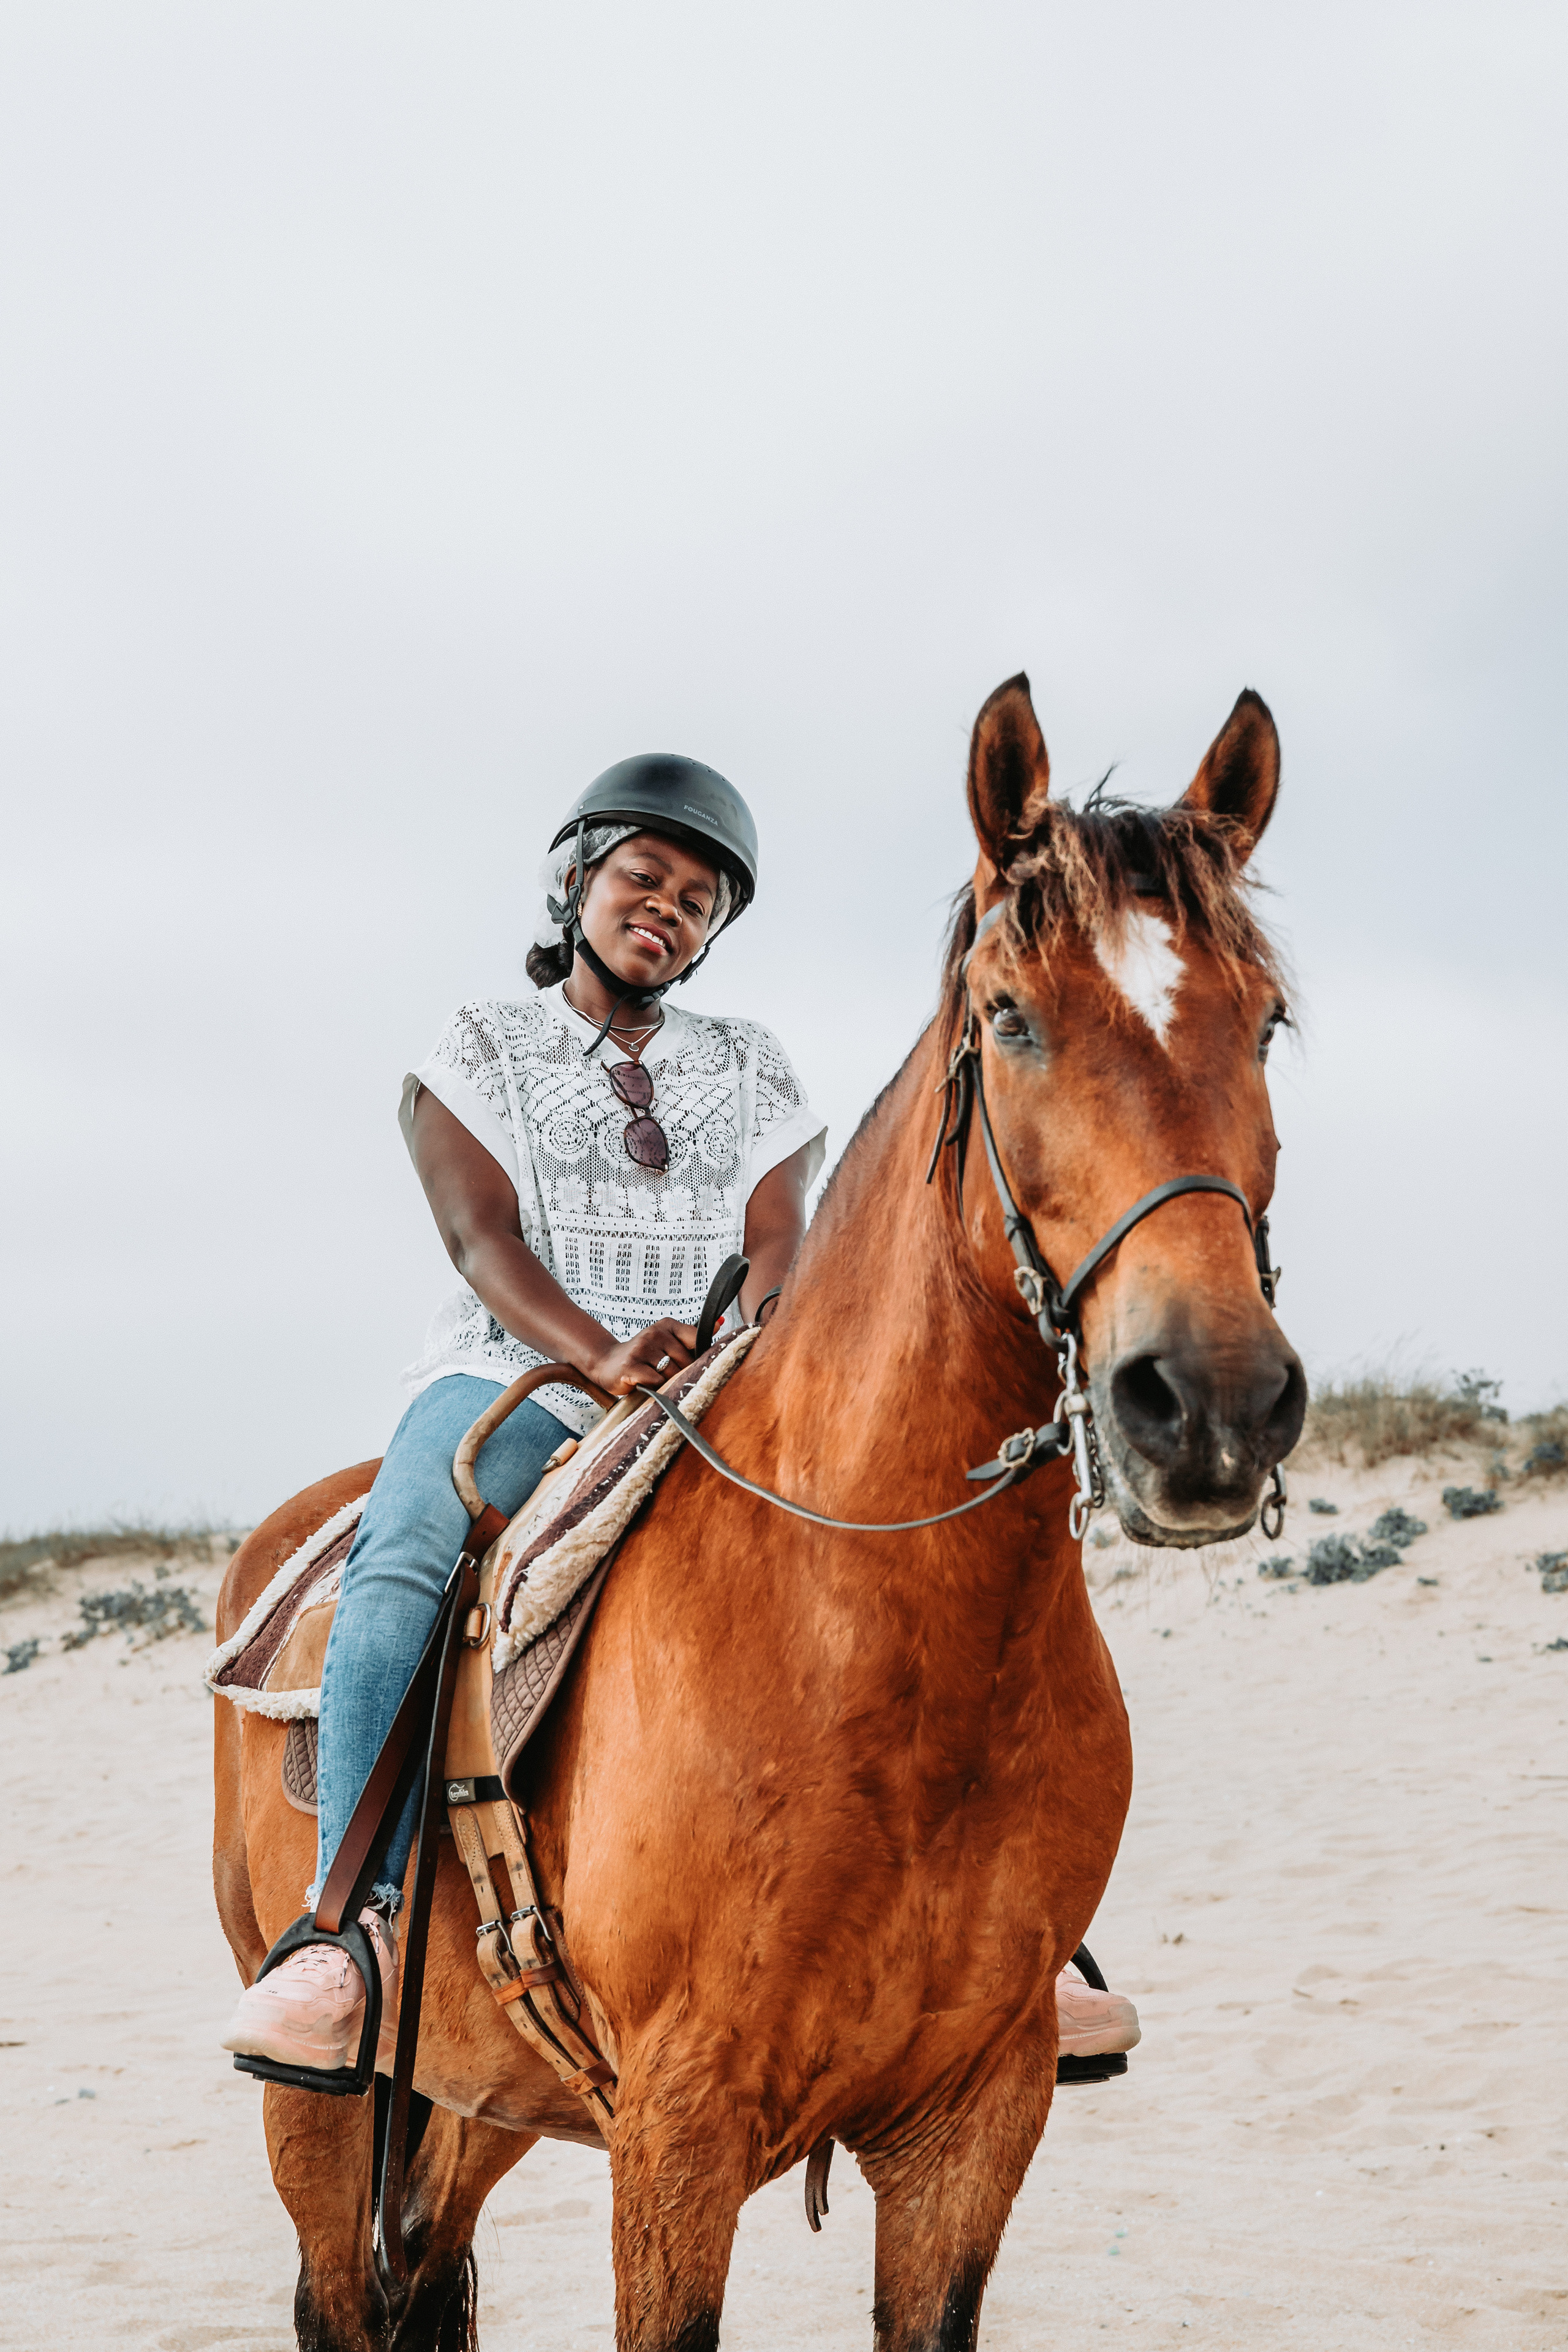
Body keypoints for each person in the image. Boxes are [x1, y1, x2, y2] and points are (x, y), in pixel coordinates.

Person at [222, 752, 1140, 2076]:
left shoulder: (750, 1065)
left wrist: (743, 1347)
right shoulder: (483, 1043)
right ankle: (342, 1930)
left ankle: (1011, 1937)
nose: (667, 909)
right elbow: (479, 1241)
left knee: (931, 1561)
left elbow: (784, 1240)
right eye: (642, 878)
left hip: (722, 1380)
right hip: (517, 1374)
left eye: (699, 900)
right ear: (576, 883)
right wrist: (599, 1357)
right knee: (412, 1552)